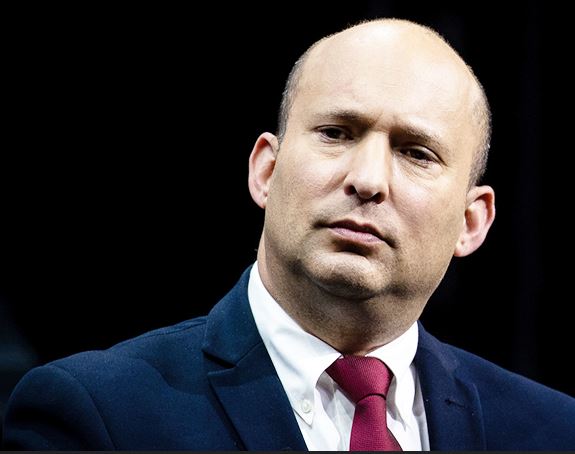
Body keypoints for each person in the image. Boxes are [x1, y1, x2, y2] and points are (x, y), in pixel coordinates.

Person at [3, 18, 574, 451]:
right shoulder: (97, 415)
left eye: (416, 153)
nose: (368, 179)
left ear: (472, 221)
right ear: (266, 171)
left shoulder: (554, 431)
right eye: (336, 133)